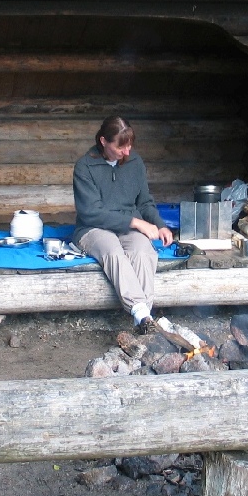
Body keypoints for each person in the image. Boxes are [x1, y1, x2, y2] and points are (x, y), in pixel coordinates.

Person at [72, 115, 174, 334]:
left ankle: (144, 320)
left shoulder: (135, 163)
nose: (127, 152)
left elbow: (145, 202)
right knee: (113, 251)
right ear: (103, 142)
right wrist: (135, 221)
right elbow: (91, 213)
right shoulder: (85, 167)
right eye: (121, 147)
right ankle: (140, 311)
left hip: (129, 226)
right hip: (93, 228)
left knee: (143, 250)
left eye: (130, 146)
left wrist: (159, 224)